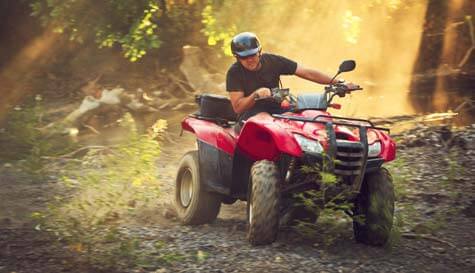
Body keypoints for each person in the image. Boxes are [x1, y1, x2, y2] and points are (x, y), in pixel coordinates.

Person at [226, 32, 358, 126]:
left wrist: (339, 82)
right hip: (251, 115)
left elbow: (306, 72)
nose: (249, 59)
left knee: (309, 118)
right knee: (264, 122)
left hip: (279, 108)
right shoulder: (234, 73)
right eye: (244, 57)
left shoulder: (272, 61)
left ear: (259, 52)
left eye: (253, 55)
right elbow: (238, 107)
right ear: (237, 57)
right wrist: (256, 95)